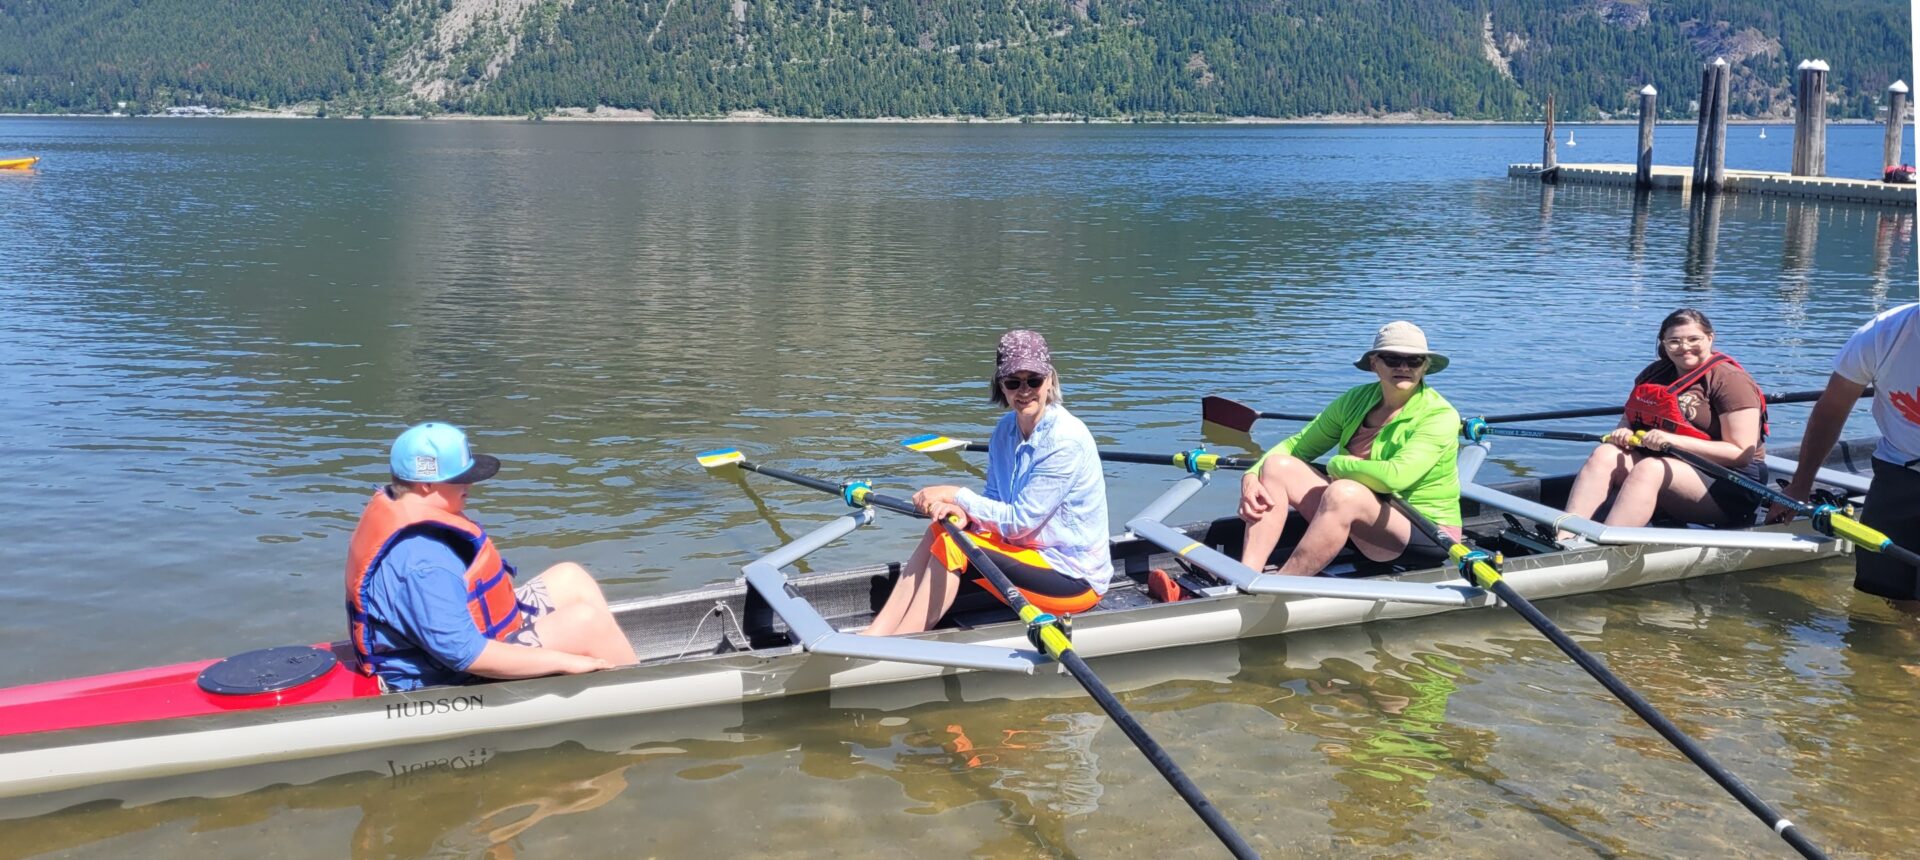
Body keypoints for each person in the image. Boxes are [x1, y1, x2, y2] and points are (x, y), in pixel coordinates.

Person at [344, 422, 637, 691]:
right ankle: (638, 693)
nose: (469, 486)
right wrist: (567, 662)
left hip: (472, 638)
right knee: (586, 622)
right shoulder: (424, 563)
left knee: (571, 577)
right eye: (460, 478)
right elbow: (466, 655)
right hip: (442, 678)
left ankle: (619, 665)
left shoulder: (405, 510)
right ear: (427, 485)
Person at [865, 330, 1111, 636]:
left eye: (1033, 380)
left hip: (1073, 580)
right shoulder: (1004, 431)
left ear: (1049, 381)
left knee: (955, 545)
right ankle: (875, 635)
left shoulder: (1065, 441)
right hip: (1026, 555)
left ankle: (901, 645)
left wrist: (956, 493)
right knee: (943, 528)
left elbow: (1018, 522)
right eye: (1013, 382)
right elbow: (994, 499)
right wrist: (962, 512)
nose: (1024, 391)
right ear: (1001, 386)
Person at [1238, 321, 1461, 576]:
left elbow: (1394, 477)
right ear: (1375, 363)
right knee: (1276, 466)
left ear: (1425, 366)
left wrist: (1337, 465)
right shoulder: (1356, 399)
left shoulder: (1440, 416)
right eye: (1392, 358)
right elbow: (1295, 446)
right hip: (1360, 516)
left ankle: (1281, 586)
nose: (1403, 367)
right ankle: (1246, 576)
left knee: (1343, 491)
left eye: (1414, 361)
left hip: (1426, 532)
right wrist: (1251, 476)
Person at [1766, 302, 1920, 606]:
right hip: (1898, 472)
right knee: (1883, 593)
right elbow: (1831, 410)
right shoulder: (1883, 334)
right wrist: (1800, 485)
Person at [1562, 308, 1769, 532]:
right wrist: (1623, 433)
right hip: (1671, 466)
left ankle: (1604, 545)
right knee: (1605, 454)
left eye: (1693, 339)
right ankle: (1566, 535)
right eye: (1674, 341)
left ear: (1710, 338)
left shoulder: (1730, 382)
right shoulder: (1653, 374)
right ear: (1663, 343)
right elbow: (1628, 419)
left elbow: (1740, 453)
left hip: (1730, 481)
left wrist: (1672, 441)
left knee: (1651, 468)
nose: (1685, 347)